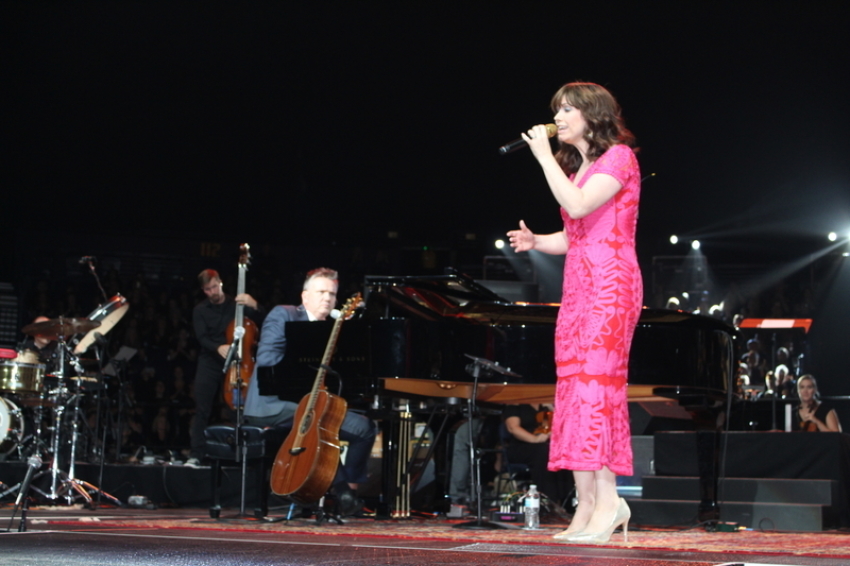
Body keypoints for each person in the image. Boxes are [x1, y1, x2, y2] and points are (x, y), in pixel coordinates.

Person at [507, 82, 641, 543]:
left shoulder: (619, 158)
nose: (558, 117)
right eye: (556, 110)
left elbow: (579, 205)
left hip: (611, 284)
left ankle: (610, 501)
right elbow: (575, 234)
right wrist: (537, 242)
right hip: (580, 287)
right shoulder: (580, 167)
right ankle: (585, 504)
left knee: (597, 390)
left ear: (592, 114)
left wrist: (543, 157)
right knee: (576, 392)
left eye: (567, 109)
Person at [244, 268, 377, 515]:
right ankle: (341, 493)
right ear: (305, 296)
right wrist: (304, 365)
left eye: (332, 294)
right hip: (272, 402)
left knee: (365, 428)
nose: (327, 298)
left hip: (312, 404)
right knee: (319, 422)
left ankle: (348, 493)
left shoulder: (332, 329)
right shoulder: (284, 314)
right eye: (321, 292)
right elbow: (267, 359)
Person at [186, 269, 263, 467]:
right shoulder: (200, 310)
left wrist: (254, 305)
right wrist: (217, 347)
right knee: (202, 408)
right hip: (210, 360)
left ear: (220, 282)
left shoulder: (237, 304)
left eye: (214, 287)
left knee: (237, 408)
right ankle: (196, 454)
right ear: (203, 290)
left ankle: (241, 455)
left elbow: (263, 320)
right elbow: (201, 337)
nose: (212, 292)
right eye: (207, 289)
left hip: (238, 360)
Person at [502, 403, 573, 508]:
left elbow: (551, 426)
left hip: (544, 445)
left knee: (561, 452)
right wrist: (535, 439)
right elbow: (513, 428)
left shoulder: (544, 407)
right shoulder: (515, 406)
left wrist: (552, 409)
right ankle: (548, 501)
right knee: (544, 452)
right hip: (522, 446)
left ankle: (566, 501)